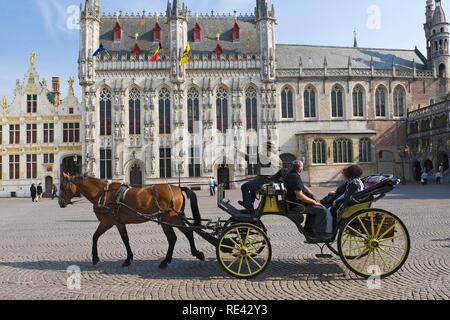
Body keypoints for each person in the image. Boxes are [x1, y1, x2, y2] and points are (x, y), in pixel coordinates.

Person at [284, 160, 330, 239]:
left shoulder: (292, 175)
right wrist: (313, 202)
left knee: (315, 207)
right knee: (322, 210)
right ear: (300, 168)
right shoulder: (294, 177)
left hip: (294, 202)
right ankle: (318, 233)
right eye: (302, 167)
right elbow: (299, 195)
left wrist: (313, 196)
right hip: (296, 205)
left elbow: (303, 187)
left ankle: (309, 230)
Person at [236, 142, 283, 210]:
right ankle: (250, 204)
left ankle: (247, 204)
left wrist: (239, 151)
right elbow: (280, 169)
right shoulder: (277, 158)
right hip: (272, 181)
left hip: (264, 181)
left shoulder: (263, 155)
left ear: (266, 147)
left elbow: (249, 158)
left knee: (244, 187)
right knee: (252, 188)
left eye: (263, 146)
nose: (263, 148)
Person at [325, 165, 365, 234]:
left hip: (351, 204)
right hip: (353, 202)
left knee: (329, 210)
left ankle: (329, 231)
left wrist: (337, 201)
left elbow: (348, 197)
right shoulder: (357, 181)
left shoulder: (353, 183)